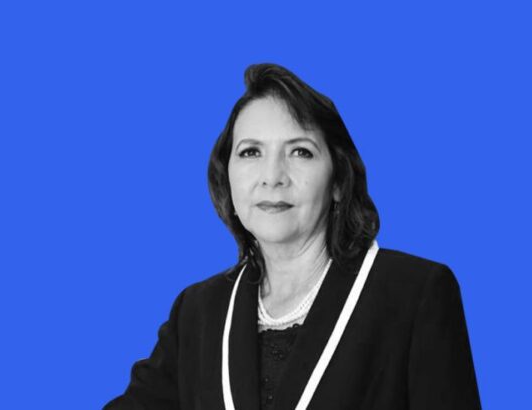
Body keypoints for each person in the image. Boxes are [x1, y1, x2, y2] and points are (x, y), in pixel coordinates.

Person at [104, 63, 481, 409]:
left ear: (338, 180)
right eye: (251, 152)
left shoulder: (414, 295)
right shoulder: (198, 313)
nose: (272, 177)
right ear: (227, 176)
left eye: (300, 152)